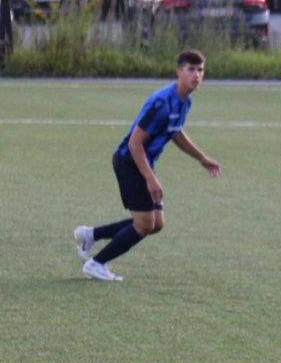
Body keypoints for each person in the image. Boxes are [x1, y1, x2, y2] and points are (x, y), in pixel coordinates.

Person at [74, 49, 221, 282]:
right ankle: (96, 263)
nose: (196, 75)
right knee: (144, 225)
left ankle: (90, 235)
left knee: (156, 223)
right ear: (178, 72)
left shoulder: (185, 101)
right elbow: (134, 144)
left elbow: (176, 132)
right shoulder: (161, 102)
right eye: (191, 69)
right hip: (129, 162)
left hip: (142, 163)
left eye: (200, 70)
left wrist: (201, 158)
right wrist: (150, 178)